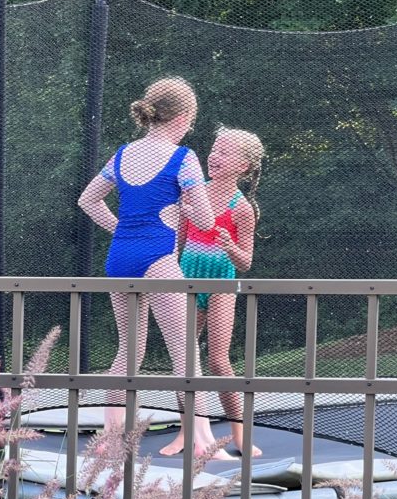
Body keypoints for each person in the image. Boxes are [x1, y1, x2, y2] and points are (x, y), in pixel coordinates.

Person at [78, 76, 231, 459]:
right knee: (185, 352)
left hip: (120, 258)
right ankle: (203, 443)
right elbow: (206, 219)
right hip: (158, 259)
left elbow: (87, 200)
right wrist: (185, 207)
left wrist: (122, 228)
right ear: (182, 117)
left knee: (128, 351)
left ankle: (112, 439)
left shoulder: (122, 154)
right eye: (191, 120)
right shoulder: (183, 158)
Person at [161, 127, 264, 458]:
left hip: (221, 285)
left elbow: (245, 262)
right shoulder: (193, 194)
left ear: (243, 166)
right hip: (188, 283)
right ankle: (186, 432)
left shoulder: (241, 208)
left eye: (225, 152)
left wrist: (230, 245)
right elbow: (177, 244)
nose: (214, 155)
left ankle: (240, 434)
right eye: (214, 149)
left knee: (218, 360)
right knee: (184, 359)